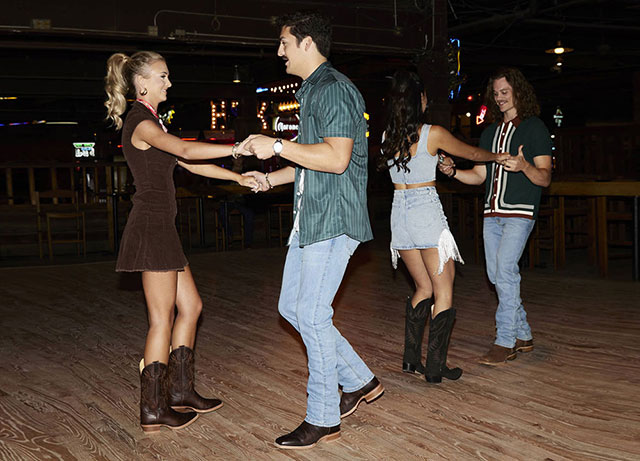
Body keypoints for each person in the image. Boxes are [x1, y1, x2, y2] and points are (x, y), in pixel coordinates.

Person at [241, 12, 382, 450]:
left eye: (284, 42)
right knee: (292, 307)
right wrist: (272, 177)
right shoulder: (315, 92)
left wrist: (276, 144)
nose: (278, 51)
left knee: (314, 315)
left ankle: (323, 416)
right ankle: (359, 381)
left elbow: (338, 158)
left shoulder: (335, 88)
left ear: (306, 44)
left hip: (334, 219)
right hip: (313, 217)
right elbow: (313, 159)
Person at [104, 51, 257, 432]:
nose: (168, 83)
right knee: (161, 319)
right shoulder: (139, 122)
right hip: (151, 228)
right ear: (142, 84)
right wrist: (238, 148)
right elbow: (187, 149)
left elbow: (188, 163)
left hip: (162, 229)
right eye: (162, 77)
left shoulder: (152, 120)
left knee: (192, 307)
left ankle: (181, 392)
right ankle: (153, 407)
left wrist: (238, 178)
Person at [379, 70, 507, 383]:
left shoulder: (387, 137)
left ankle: (411, 360)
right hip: (425, 211)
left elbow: (420, 162)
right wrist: (497, 156)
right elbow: (472, 153)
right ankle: (436, 366)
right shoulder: (431, 132)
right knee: (443, 288)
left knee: (422, 286)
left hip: (399, 214)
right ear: (418, 100)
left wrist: (442, 164)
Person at [439, 67, 552, 366]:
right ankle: (524, 333)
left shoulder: (534, 128)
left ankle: (505, 341)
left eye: (505, 92)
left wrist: (524, 167)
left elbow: (544, 178)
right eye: (496, 94)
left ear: (517, 92)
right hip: (491, 213)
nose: (500, 98)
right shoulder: (489, 133)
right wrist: (453, 173)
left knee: (504, 272)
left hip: (520, 213)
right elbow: (479, 176)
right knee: (496, 275)